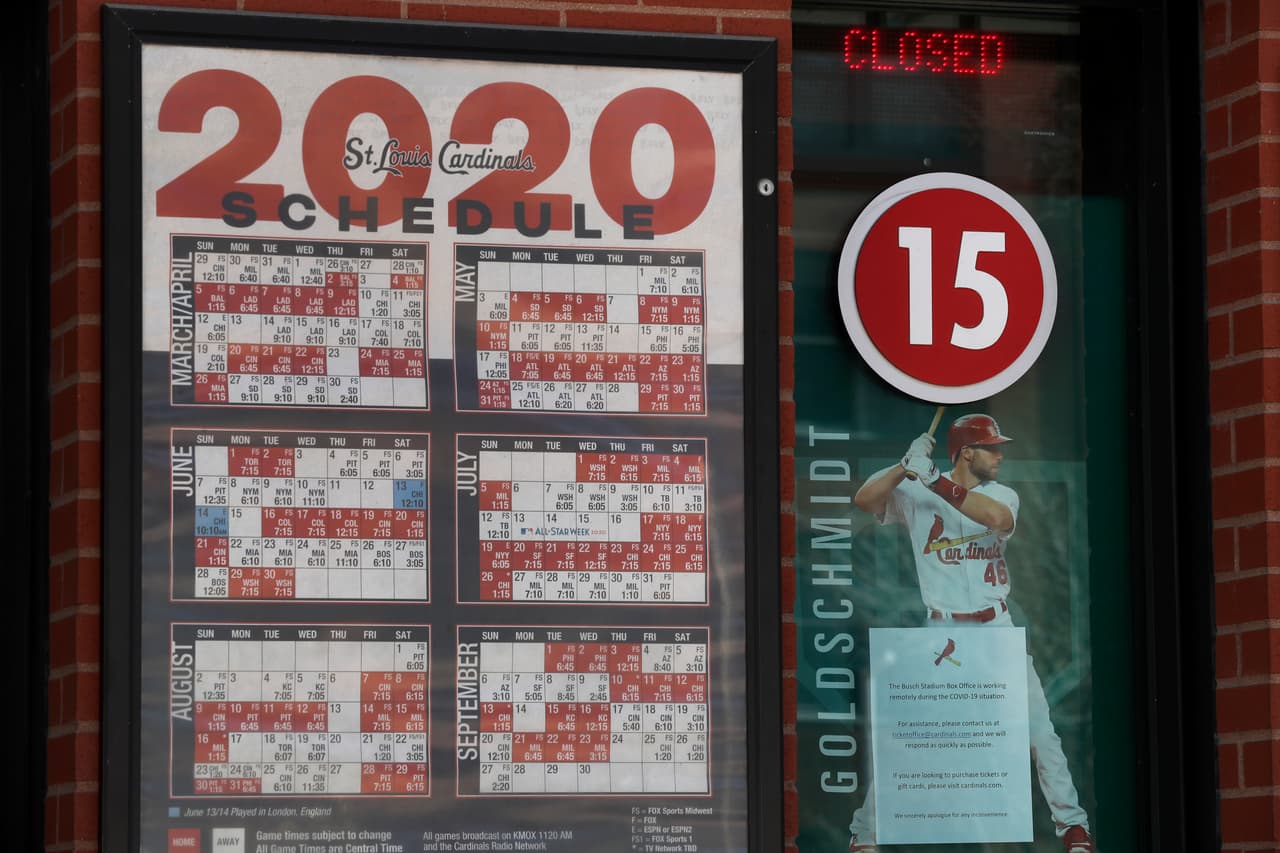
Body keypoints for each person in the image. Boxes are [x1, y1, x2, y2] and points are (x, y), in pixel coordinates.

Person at [846, 414, 1094, 853]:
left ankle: (1073, 826)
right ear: (966, 452)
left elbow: (995, 517)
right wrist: (905, 467)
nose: (999, 455)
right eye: (991, 447)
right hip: (942, 631)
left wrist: (934, 479)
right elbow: (864, 500)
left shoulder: (1001, 494)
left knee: (1038, 730)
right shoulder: (914, 490)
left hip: (995, 626)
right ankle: (866, 832)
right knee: (912, 733)